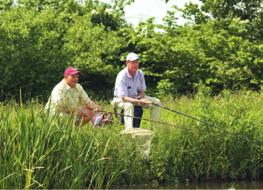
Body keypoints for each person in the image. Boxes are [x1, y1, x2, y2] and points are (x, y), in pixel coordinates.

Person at [112, 52, 161, 129]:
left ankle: (154, 129)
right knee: (129, 105)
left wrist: (140, 98)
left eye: (137, 62)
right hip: (119, 99)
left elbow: (142, 91)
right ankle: (129, 131)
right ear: (127, 63)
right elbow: (124, 98)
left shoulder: (140, 73)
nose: (136, 65)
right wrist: (139, 102)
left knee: (156, 102)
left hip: (136, 98)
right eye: (133, 62)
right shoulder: (122, 76)